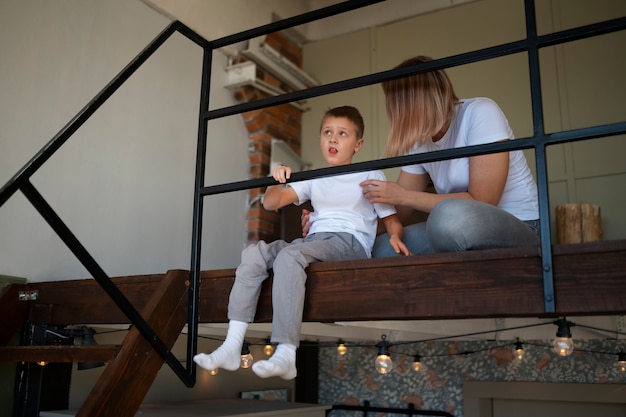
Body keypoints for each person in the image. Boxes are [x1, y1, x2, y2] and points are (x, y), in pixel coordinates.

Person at [194, 106, 410, 380]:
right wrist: (276, 179)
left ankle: (286, 351)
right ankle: (232, 345)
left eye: (342, 134)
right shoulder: (314, 177)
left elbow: (391, 219)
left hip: (349, 244)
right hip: (315, 241)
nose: (333, 139)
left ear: (358, 144)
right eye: (327, 132)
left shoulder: (370, 175)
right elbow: (271, 203)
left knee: (290, 256)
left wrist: (394, 235)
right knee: (253, 253)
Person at [303, 56, 540, 256]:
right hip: (451, 228)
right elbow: (399, 211)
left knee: (446, 217)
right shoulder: (418, 139)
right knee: (375, 249)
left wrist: (405, 196)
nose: (392, 111)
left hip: (520, 223)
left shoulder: (479, 113)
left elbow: (484, 200)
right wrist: (336, 225)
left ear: (413, 101)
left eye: (396, 103)